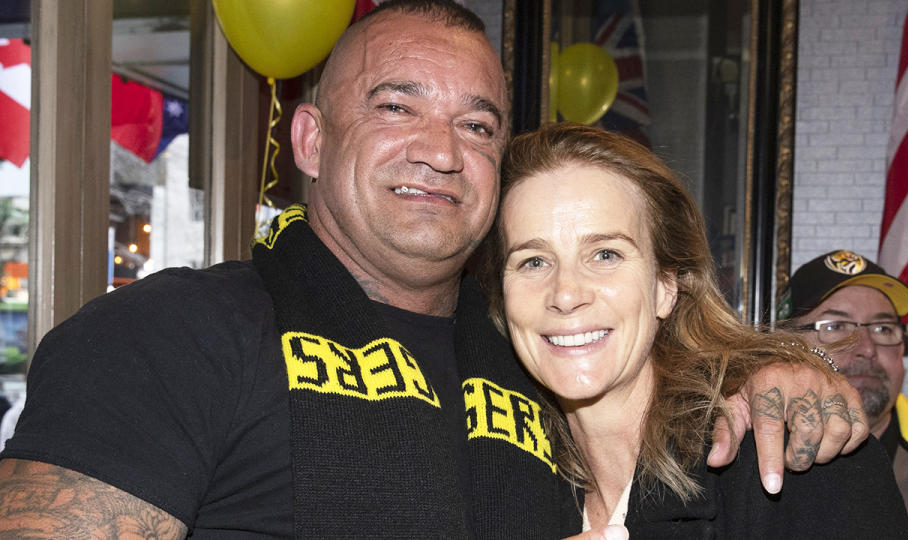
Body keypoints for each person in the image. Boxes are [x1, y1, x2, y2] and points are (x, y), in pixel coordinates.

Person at [0, 1, 864, 538]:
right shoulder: (172, 334)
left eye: (479, 125)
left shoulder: (530, 353)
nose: (441, 151)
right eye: (396, 105)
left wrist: (782, 368)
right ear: (308, 139)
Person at [481, 122, 908, 537]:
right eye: (532, 261)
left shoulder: (800, 457)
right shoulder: (503, 474)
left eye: (606, 254)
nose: (566, 293)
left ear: (667, 286)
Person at [780, 249, 908, 539]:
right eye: (835, 327)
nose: (866, 348)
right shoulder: (741, 453)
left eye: (882, 328)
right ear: (786, 346)